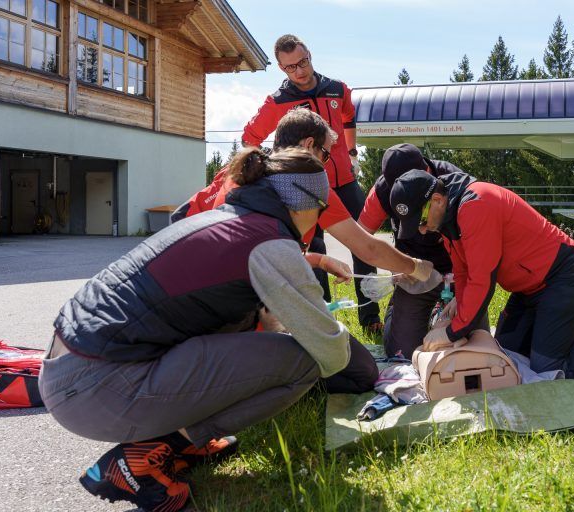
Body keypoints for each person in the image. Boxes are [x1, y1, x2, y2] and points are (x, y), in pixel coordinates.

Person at [39, 148, 361, 511]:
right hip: (95, 390)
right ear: (303, 204)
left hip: (71, 371)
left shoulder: (223, 220)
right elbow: (331, 353)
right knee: (303, 362)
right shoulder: (271, 243)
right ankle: (156, 454)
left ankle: (174, 444)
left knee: (246, 326)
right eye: (320, 208)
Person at [173, 110, 433, 299]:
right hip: (243, 304)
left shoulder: (239, 170)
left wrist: (318, 260)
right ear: (310, 145)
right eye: (327, 153)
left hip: (196, 295)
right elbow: (368, 249)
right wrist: (416, 268)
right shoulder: (310, 189)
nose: (327, 163)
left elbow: (183, 218)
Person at [241, 34, 383, 333]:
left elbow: (349, 116)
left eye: (303, 62)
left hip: (343, 183)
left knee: (364, 243)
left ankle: (371, 320)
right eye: (291, 67)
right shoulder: (278, 102)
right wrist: (273, 168)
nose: (300, 71)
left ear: (310, 56)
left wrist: (352, 152)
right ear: (282, 69)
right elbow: (249, 137)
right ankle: (324, 319)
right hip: (304, 189)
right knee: (312, 255)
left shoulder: (337, 89)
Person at [390, 169, 574, 373]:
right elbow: (462, 271)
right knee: (506, 356)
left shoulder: (476, 205)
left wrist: (452, 332)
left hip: (564, 276)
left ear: (437, 200)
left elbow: (482, 281)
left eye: (421, 221)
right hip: (529, 289)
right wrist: (459, 304)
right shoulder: (449, 217)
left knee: (547, 368)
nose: (422, 230)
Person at [358, 143, 486, 358]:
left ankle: (442, 313)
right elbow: (361, 238)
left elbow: (480, 249)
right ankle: (398, 309)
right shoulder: (381, 191)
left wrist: (464, 294)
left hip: (458, 269)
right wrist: (396, 268)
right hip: (414, 271)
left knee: (476, 344)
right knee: (402, 353)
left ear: (426, 173)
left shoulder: (456, 181)